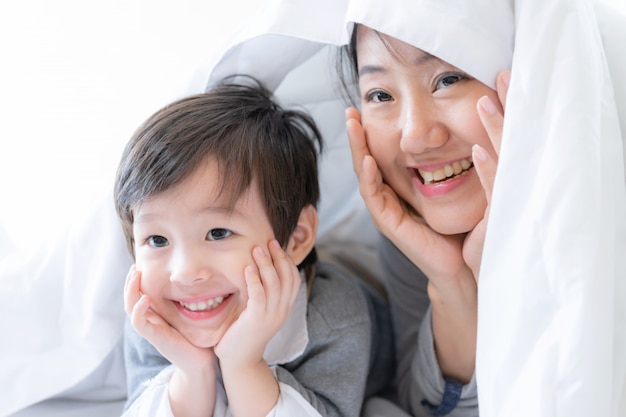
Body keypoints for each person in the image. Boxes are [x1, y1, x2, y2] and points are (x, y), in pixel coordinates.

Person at [113, 77, 393, 417]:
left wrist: (243, 363)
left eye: (218, 233)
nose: (185, 273)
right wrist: (192, 371)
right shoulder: (153, 316)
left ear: (297, 238)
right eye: (157, 240)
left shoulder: (332, 322)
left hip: (362, 272)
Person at [335, 22, 509, 417]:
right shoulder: (415, 234)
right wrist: (453, 289)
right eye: (380, 94)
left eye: (448, 79)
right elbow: (426, 408)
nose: (415, 136)